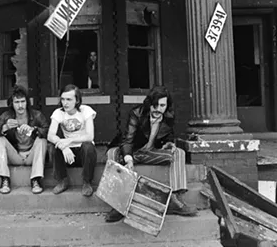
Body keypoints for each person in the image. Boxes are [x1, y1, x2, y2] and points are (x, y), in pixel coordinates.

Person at [105, 85, 197, 222]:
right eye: (155, 105)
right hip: (133, 152)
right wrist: (128, 159)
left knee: (179, 153)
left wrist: (169, 143)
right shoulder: (136, 113)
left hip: (150, 153)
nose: (158, 109)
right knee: (112, 153)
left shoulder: (168, 116)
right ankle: (118, 205)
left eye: (162, 105)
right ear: (149, 104)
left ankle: (175, 200)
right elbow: (128, 139)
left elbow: (169, 135)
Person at [0, 85, 49, 195]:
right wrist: (4, 127)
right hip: (15, 155)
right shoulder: (6, 116)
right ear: (12, 103)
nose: (20, 106)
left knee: (42, 140)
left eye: (23, 101)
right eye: (17, 102)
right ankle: (5, 179)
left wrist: (34, 130)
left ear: (27, 102)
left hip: (31, 156)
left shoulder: (36, 115)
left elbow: (49, 132)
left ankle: (36, 179)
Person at [48, 84, 97, 196]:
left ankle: (87, 182)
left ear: (77, 100)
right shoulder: (58, 113)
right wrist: (63, 146)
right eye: (63, 99)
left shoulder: (86, 111)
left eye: (69, 99)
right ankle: (62, 180)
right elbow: (50, 135)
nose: (65, 103)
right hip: (68, 155)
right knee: (54, 147)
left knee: (88, 146)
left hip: (83, 153)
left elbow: (90, 136)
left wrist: (69, 141)